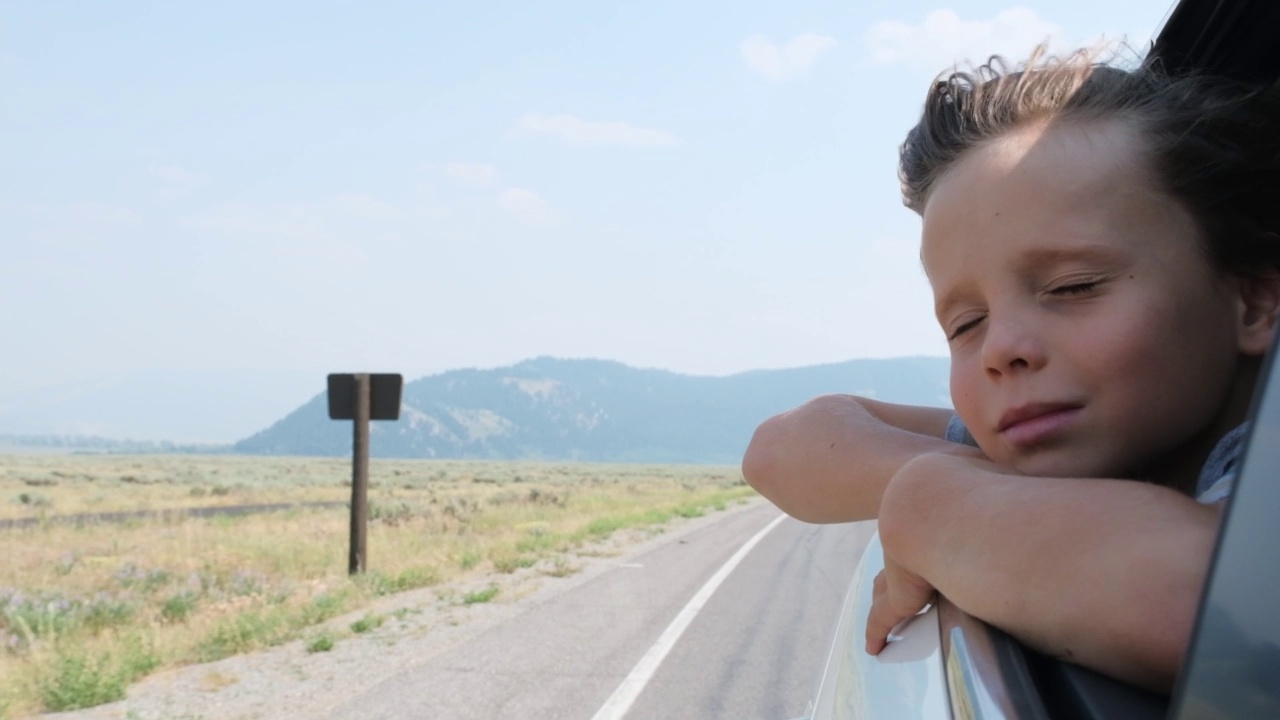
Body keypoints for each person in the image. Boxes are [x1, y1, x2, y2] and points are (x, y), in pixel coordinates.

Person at [741, 44, 1280, 693]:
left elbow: (1223, 613)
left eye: (1074, 287)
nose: (1001, 349)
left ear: (1253, 299)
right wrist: (965, 477)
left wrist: (930, 506)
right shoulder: (1065, 425)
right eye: (964, 324)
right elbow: (778, 451)